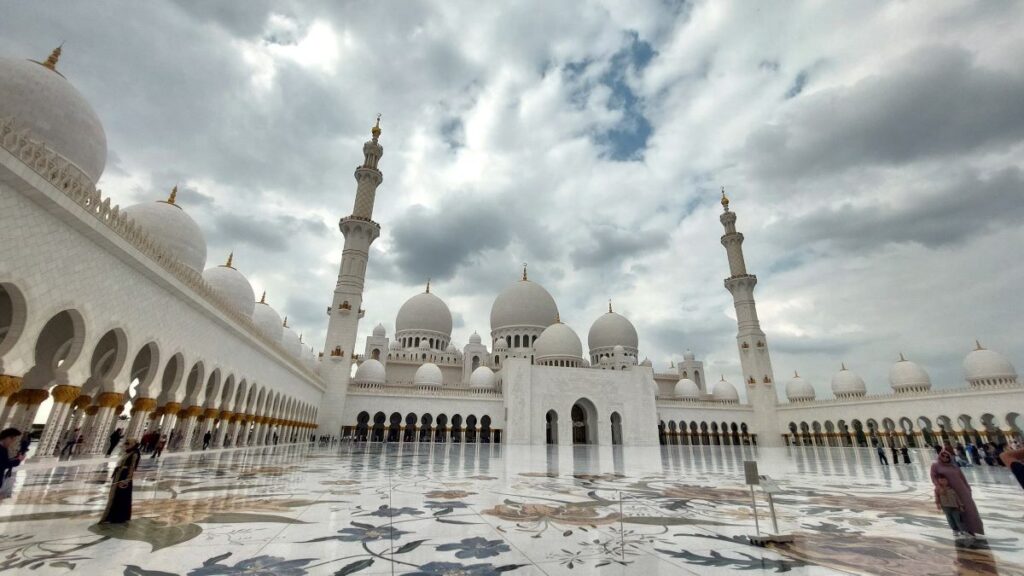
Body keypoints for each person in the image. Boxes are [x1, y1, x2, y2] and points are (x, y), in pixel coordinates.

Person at [930, 449, 984, 538]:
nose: (945, 458)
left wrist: (968, 488)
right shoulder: (935, 465)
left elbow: (962, 478)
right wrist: (938, 486)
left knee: (968, 509)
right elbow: (933, 476)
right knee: (955, 512)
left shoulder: (954, 466)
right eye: (943, 455)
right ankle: (959, 529)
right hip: (948, 491)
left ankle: (971, 529)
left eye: (947, 456)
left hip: (961, 489)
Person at [98, 438, 141, 524]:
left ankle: (119, 517)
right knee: (115, 495)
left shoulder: (135, 454)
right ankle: (112, 515)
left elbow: (132, 467)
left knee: (120, 496)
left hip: (124, 477)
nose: (126, 445)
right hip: (119, 475)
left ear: (133, 444)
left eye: (129, 443)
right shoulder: (128, 452)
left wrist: (127, 479)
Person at [934, 474, 969, 541]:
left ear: (947, 480)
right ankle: (955, 530)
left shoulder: (952, 488)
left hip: (955, 506)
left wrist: (961, 505)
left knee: (958, 519)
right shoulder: (938, 489)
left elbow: (957, 497)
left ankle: (963, 530)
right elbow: (937, 497)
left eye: (944, 480)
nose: (943, 481)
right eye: (941, 480)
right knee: (950, 519)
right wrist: (938, 504)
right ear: (938, 481)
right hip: (945, 507)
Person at [0, 428, 25, 494]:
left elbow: (4, 461)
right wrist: (18, 460)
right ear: (7, 437)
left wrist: (16, 458)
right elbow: (4, 464)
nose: (12, 443)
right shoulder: (2, 449)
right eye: (12, 440)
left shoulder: (3, 448)